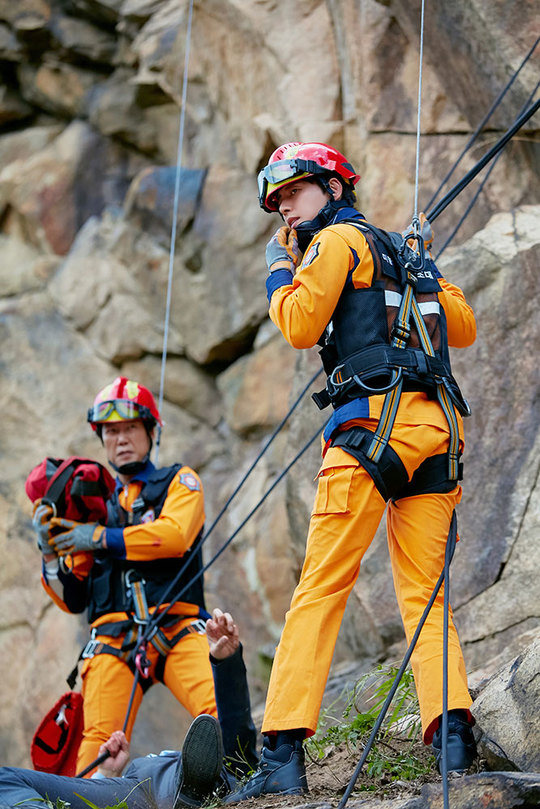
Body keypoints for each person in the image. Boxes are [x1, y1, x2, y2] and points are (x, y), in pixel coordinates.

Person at [225, 142, 478, 800]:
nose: (283, 205)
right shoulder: (400, 253)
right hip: (436, 433)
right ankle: (454, 736)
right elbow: (463, 324)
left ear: (335, 188)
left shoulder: (335, 243)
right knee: (426, 594)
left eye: (294, 190)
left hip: (370, 429)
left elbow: (302, 324)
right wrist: (425, 271)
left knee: (321, 586)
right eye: (276, 200)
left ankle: (280, 749)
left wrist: (282, 269)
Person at [35, 376, 219, 774]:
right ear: (101, 439)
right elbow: (72, 598)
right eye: (111, 431)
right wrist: (50, 554)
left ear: (152, 432)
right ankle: (93, 795)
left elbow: (174, 536)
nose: (120, 439)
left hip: (177, 626)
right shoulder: (89, 507)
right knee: (100, 744)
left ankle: (227, 780)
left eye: (131, 428)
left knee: (219, 709)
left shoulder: (179, 482)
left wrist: (100, 537)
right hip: (111, 642)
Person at [0, 609, 258, 809]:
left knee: (222, 751)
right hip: (128, 786)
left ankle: (195, 786)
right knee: (4, 778)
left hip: (170, 785)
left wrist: (227, 663)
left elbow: (239, 747)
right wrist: (105, 773)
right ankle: (194, 783)